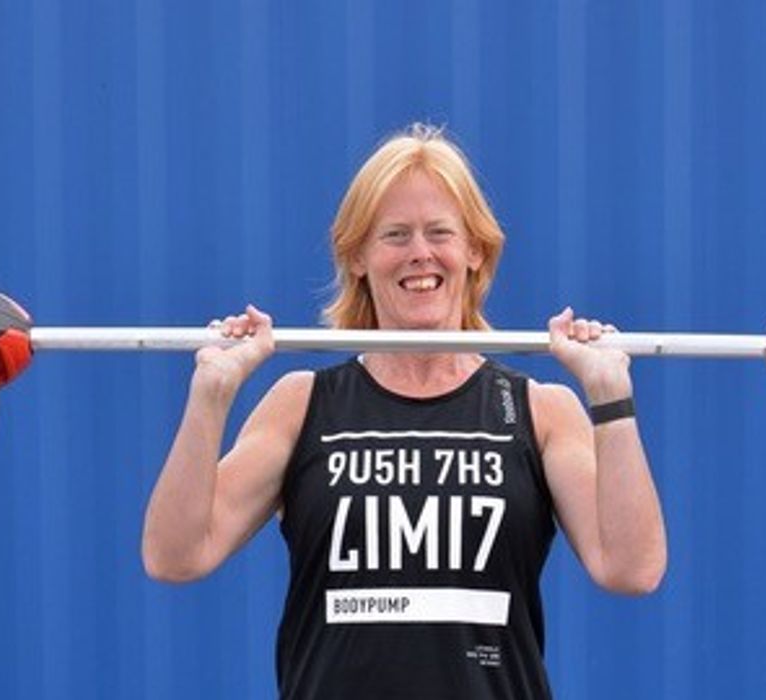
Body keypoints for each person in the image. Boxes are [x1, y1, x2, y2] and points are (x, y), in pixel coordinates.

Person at [142, 123, 667, 699]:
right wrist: (210, 394)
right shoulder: (301, 406)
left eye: (439, 232)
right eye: (394, 235)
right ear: (358, 257)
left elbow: (632, 569)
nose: (420, 253)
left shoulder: (540, 412)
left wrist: (610, 394)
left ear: (475, 251)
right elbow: (175, 555)